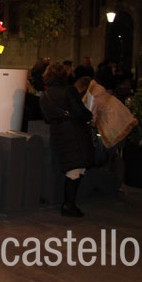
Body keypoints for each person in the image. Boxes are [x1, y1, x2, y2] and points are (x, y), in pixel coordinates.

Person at [39, 62, 94, 217]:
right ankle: (69, 204)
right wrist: (89, 115)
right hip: (73, 133)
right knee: (76, 168)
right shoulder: (69, 91)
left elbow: (47, 118)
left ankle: (69, 204)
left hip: (57, 132)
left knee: (71, 167)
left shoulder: (45, 95)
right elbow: (81, 112)